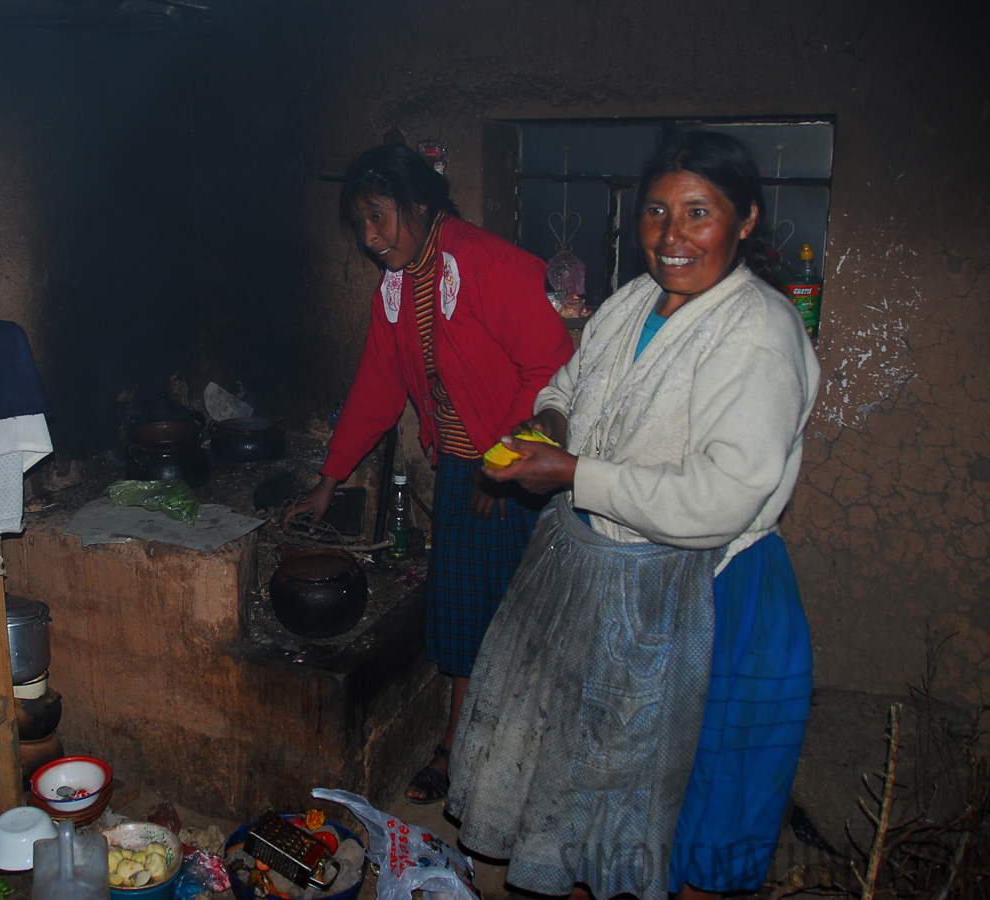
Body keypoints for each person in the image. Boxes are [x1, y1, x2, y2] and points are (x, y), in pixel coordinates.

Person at [445, 131, 821, 900]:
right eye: (655, 211)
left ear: (744, 220)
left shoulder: (757, 332)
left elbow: (721, 497)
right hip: (606, 581)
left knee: (690, 811)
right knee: (590, 778)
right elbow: (566, 382)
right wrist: (548, 425)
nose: (670, 236)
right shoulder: (630, 302)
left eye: (696, 213)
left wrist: (576, 473)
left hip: (708, 593)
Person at [280, 142, 574, 804]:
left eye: (379, 217)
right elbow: (377, 389)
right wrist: (331, 477)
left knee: (510, 623)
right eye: (359, 224)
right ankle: (466, 746)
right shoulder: (402, 283)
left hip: (517, 468)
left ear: (421, 204)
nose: (369, 237)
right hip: (466, 466)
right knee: (469, 615)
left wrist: (504, 463)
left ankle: (498, 756)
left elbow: (553, 368)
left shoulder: (488, 265)